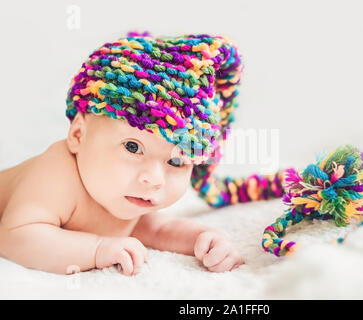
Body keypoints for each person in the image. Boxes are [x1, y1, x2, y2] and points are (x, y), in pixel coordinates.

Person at [0, 32, 286, 276]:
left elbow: (157, 230)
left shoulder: (124, 195)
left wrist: (202, 238)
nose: (153, 178)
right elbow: (15, 236)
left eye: (176, 161)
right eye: (132, 147)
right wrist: (97, 249)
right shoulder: (56, 175)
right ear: (78, 135)